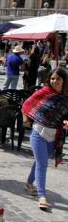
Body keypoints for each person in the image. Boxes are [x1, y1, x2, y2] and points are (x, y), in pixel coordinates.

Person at [22, 68, 68, 210]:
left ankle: (29, 183)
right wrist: (26, 120)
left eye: (58, 79)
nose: (54, 81)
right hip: (38, 132)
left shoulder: (66, 97)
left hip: (54, 136)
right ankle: (42, 196)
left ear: (64, 81)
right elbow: (26, 104)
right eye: (53, 78)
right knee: (42, 164)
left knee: (39, 161)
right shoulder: (44, 92)